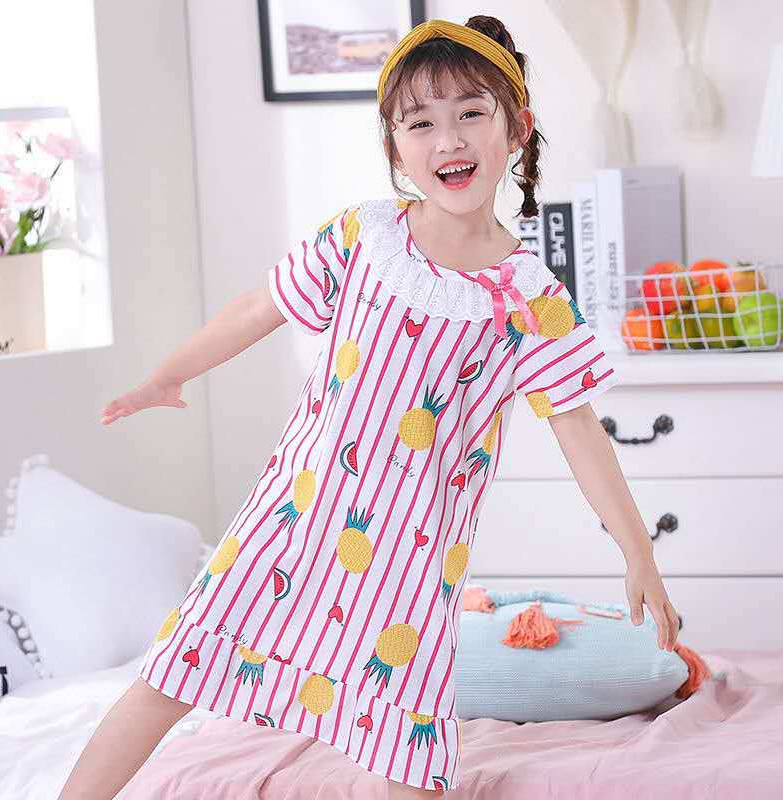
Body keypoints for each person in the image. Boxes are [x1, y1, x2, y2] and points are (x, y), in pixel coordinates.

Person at [60, 14, 680, 800]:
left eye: (470, 113)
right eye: (421, 123)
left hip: (410, 563)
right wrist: (168, 375)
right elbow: (260, 306)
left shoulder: (530, 298)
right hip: (293, 520)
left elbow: (577, 426)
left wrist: (638, 552)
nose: (448, 139)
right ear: (396, 147)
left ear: (517, 128)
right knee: (174, 672)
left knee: (407, 749)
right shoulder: (364, 236)